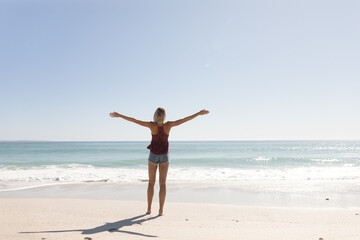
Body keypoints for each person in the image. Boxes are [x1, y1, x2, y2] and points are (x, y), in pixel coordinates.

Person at [109, 108, 209, 216]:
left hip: (153, 155)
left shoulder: (152, 125)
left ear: (155, 115)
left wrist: (119, 115)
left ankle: (149, 209)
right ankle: (161, 211)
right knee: (162, 184)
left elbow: (135, 120)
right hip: (164, 156)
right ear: (164, 115)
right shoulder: (168, 125)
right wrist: (198, 113)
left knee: (151, 183)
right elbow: (184, 120)